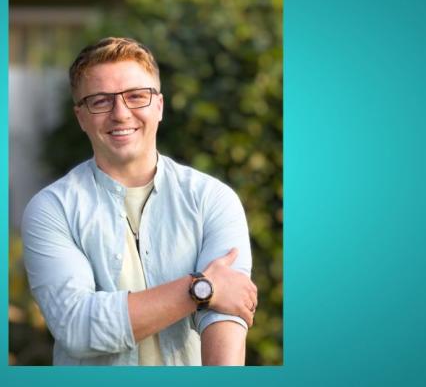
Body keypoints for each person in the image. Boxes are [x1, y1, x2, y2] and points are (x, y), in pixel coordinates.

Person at [21, 37, 257, 365]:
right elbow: (76, 328)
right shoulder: (52, 209)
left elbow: (225, 315)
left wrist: (213, 293)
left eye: (136, 96)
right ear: (81, 117)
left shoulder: (212, 199)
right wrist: (200, 289)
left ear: (158, 106)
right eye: (101, 101)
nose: (121, 114)